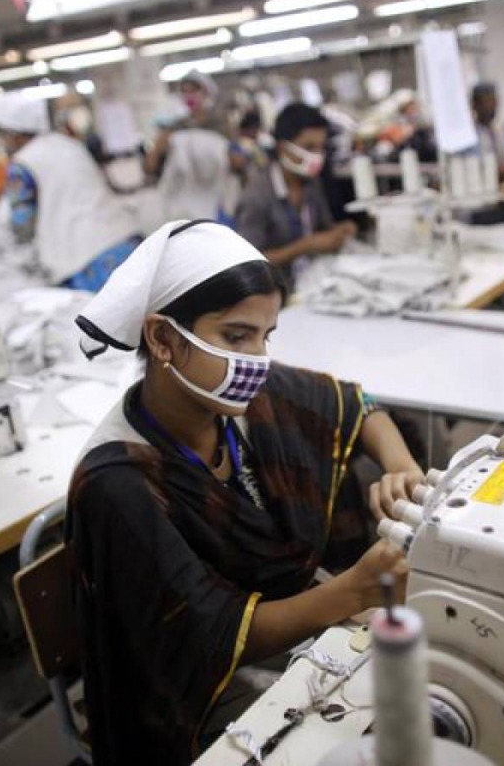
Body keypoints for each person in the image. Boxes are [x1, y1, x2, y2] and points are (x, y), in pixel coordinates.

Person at [68, 220, 422, 763]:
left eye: (266, 336)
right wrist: (351, 592)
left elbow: (356, 402)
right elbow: (205, 638)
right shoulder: (118, 484)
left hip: (294, 625)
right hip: (193, 695)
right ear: (162, 338)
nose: (257, 358)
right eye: (237, 336)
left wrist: (400, 465)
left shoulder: (235, 391)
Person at [0, 91, 140, 292]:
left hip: (88, 262)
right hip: (128, 242)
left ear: (14, 133)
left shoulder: (23, 163)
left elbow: (22, 226)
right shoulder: (69, 144)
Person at [234, 102, 357, 285]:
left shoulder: (311, 184)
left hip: (314, 282)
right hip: (275, 292)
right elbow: (247, 264)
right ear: (283, 148)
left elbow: (323, 229)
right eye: (309, 147)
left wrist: (339, 232)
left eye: (321, 147)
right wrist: (304, 246)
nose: (317, 156)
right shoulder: (257, 196)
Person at [145, 72, 234, 220]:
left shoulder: (221, 124)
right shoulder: (177, 126)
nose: (189, 96)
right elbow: (151, 165)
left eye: (194, 90)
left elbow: (235, 159)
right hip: (185, 200)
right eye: (184, 91)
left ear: (206, 92)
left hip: (215, 195)